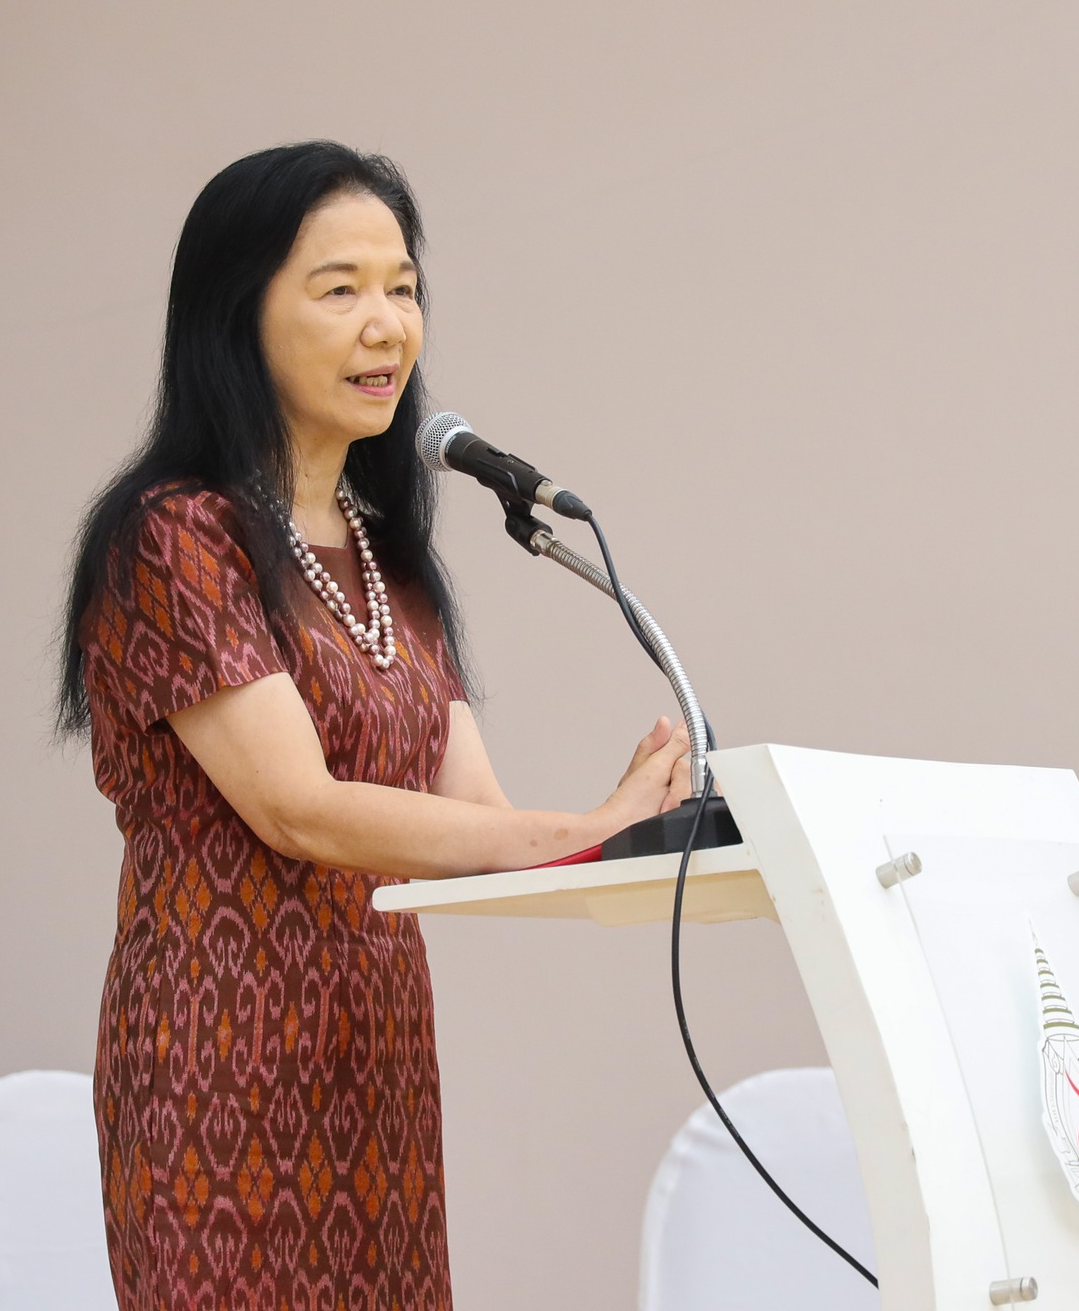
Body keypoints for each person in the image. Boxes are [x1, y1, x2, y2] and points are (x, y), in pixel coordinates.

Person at [57, 141, 691, 1310]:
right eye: (338, 288)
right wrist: (584, 827)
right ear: (235, 314)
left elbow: (475, 822)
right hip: (221, 1062)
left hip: (376, 1061)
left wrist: (635, 829)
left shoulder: (385, 557)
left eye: (402, 287)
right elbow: (298, 809)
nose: (386, 324)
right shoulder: (175, 535)